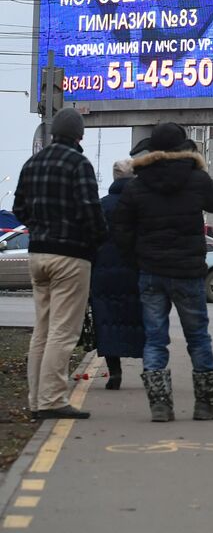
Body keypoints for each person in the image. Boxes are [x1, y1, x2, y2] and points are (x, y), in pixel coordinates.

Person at [112, 122, 213, 422]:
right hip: (188, 272)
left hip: (150, 271)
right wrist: (199, 167)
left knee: (155, 340)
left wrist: (136, 258)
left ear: (152, 149)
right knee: (198, 338)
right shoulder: (195, 178)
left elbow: (121, 228)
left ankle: (160, 406)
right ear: (182, 148)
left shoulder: (137, 184)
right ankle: (206, 404)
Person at [14, 107, 105, 420]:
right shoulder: (79, 164)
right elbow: (91, 210)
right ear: (79, 135)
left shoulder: (33, 163)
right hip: (70, 255)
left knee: (42, 329)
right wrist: (96, 239)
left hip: (37, 254)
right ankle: (52, 400)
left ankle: (36, 400)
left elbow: (19, 208)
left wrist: (40, 229)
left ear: (54, 134)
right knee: (63, 332)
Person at [91, 156, 146, 391]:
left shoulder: (102, 205)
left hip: (104, 273)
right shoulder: (142, 204)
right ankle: (150, 370)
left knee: (107, 320)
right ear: (133, 177)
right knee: (142, 320)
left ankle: (114, 373)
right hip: (136, 271)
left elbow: (92, 238)